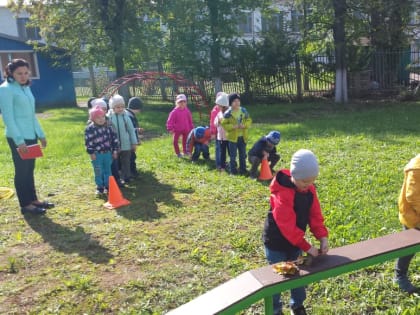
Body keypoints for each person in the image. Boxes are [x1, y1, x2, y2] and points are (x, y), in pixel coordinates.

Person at [262, 149, 329, 315]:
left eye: (312, 181)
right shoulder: (282, 194)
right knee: (277, 278)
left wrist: (322, 236)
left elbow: (315, 215)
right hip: (276, 242)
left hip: (295, 242)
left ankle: (297, 305)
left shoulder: (309, 190)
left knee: (298, 276)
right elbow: (287, 226)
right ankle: (276, 310)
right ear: (294, 175)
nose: (308, 185)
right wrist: (307, 246)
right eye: (304, 181)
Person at [0, 59, 54, 215]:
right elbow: (8, 118)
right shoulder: (5, 89)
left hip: (31, 136)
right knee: (22, 170)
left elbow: (31, 115)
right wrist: (19, 141)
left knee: (30, 169)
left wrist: (41, 135)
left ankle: (33, 200)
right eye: (19, 73)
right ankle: (25, 204)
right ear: (10, 73)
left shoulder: (25, 88)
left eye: (25, 73)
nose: (23, 76)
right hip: (18, 138)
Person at [394, 154, 420, 294]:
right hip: (414, 218)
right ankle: (399, 276)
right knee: (409, 249)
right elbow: (414, 197)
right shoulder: (416, 168)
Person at [85, 106, 119, 195]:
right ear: (93, 119)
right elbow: (88, 141)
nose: (101, 119)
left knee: (108, 170)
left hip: (107, 153)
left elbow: (114, 138)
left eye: (102, 117)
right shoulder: (90, 129)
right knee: (98, 170)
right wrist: (91, 152)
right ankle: (100, 187)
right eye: (98, 117)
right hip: (97, 154)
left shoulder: (108, 127)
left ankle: (108, 186)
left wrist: (115, 150)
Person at [108, 94, 138, 184]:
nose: (120, 109)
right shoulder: (109, 117)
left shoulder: (126, 117)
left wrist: (134, 142)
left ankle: (126, 176)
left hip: (126, 144)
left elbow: (131, 130)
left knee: (126, 161)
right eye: (117, 107)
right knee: (115, 162)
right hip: (114, 146)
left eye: (122, 106)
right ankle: (117, 178)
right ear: (112, 107)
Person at [221, 93, 252, 175]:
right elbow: (223, 124)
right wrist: (232, 126)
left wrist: (244, 125)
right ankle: (233, 171)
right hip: (232, 138)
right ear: (230, 103)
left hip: (243, 137)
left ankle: (243, 169)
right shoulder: (228, 113)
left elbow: (249, 120)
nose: (237, 103)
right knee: (233, 155)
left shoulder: (243, 111)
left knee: (242, 154)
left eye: (238, 101)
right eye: (234, 101)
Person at [126, 97, 144, 177]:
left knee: (127, 157)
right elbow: (131, 131)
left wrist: (137, 129)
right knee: (131, 157)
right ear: (137, 108)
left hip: (125, 141)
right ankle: (132, 172)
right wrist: (135, 141)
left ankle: (126, 171)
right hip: (129, 141)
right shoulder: (131, 117)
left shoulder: (126, 114)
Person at [213, 92, 230, 171]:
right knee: (222, 153)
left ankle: (232, 165)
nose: (217, 107)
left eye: (219, 105)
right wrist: (218, 122)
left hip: (229, 137)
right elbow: (215, 123)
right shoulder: (219, 114)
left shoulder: (230, 113)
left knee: (231, 152)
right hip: (221, 138)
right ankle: (222, 166)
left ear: (223, 106)